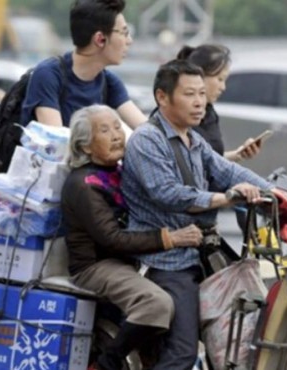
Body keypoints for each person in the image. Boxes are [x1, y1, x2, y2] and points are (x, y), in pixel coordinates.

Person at [120, 59, 273, 369]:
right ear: (162, 97)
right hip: (167, 261)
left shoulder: (192, 138)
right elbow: (169, 193)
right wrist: (225, 198)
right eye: (190, 94)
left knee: (243, 335)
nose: (199, 102)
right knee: (182, 354)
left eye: (202, 93)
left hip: (200, 253)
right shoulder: (147, 140)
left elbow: (226, 169)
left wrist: (277, 193)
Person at [62, 104, 204, 370]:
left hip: (130, 259)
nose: (116, 135)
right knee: (157, 304)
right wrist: (170, 238)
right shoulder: (84, 184)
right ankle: (109, 362)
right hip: (97, 265)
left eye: (117, 126)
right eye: (104, 130)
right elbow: (112, 238)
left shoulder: (118, 170)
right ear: (85, 147)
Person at [20, 0, 147, 128]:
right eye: (124, 33)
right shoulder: (49, 75)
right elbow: (55, 142)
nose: (129, 41)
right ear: (100, 39)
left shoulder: (109, 83)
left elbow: (145, 130)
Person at [176, 44, 262, 162]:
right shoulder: (177, 118)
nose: (223, 87)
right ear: (199, 76)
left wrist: (238, 155)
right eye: (220, 79)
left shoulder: (210, 113)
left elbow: (210, 160)